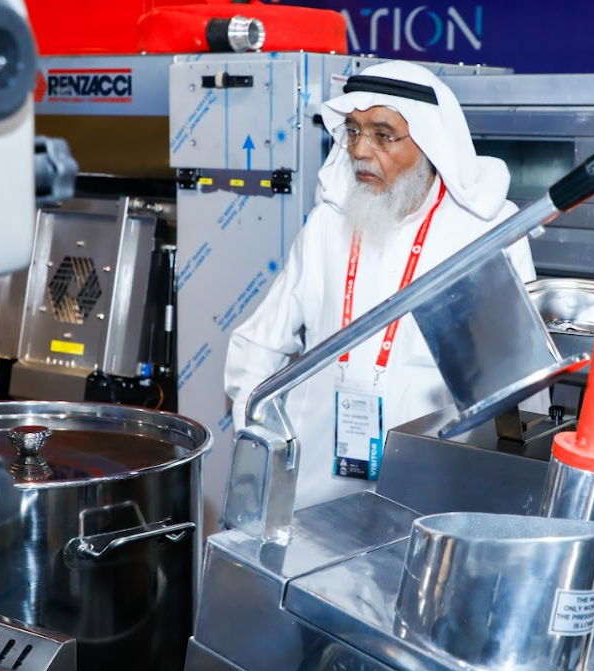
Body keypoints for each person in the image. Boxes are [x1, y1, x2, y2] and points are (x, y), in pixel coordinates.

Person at [224, 60, 539, 510]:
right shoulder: (329, 224)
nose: (360, 151)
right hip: (311, 492)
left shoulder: (486, 233)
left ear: (430, 143)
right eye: (353, 131)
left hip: (435, 496)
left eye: (382, 135)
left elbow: (520, 385)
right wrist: (264, 442)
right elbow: (256, 344)